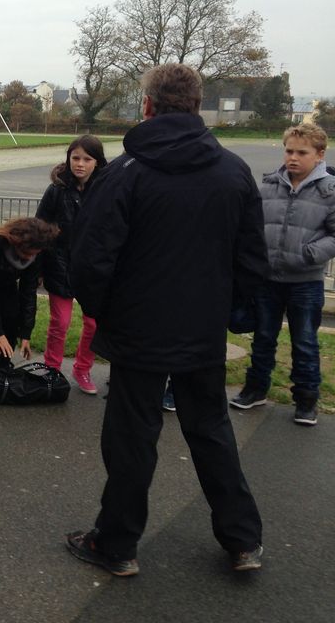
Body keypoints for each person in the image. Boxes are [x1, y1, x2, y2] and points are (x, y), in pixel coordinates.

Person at [66, 63, 268, 576]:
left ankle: (117, 544)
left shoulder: (125, 173)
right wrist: (232, 311)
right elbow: (252, 259)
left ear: (149, 106)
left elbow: (90, 259)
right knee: (211, 429)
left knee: (132, 437)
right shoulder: (232, 171)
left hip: (139, 327)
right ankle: (242, 539)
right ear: (197, 105)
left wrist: (104, 311)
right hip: (201, 326)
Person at [231, 122, 335, 426]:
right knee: (263, 337)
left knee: (305, 342)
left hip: (305, 282)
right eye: (289, 151)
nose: (293, 158)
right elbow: (253, 225)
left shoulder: (329, 191)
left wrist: (310, 253)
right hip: (269, 280)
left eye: (302, 153)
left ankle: (306, 399)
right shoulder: (269, 185)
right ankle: (255, 388)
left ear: (319, 154)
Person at [35, 135, 108, 394]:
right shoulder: (56, 190)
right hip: (59, 264)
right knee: (60, 323)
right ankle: (52, 370)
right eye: (75, 158)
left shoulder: (106, 189)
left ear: (97, 162)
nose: (80, 164)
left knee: (93, 324)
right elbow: (40, 228)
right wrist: (38, 269)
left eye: (87, 159)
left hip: (92, 269)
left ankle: (82, 368)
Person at [0, 218, 59, 373]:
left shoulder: (36, 252)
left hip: (6, 274)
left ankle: (4, 365)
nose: (29, 258)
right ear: (16, 244)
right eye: (26, 253)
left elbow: (28, 293)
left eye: (33, 254)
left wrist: (25, 333)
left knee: (12, 314)